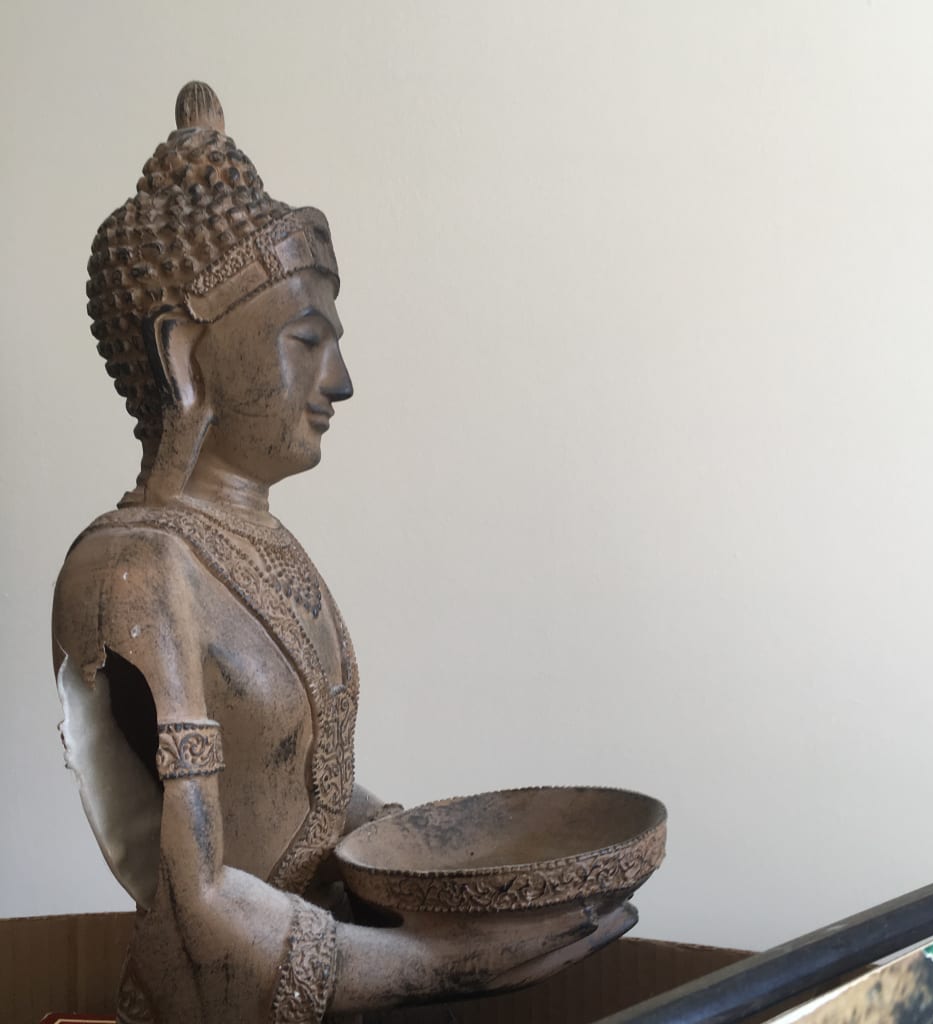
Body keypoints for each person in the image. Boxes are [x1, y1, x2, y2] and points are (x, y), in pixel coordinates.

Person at [52, 83, 632, 1023]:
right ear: (185, 357)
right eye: (306, 340)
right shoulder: (133, 573)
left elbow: (302, 786)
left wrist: (431, 854)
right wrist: (444, 964)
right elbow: (200, 903)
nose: (341, 381)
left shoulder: (260, 543)